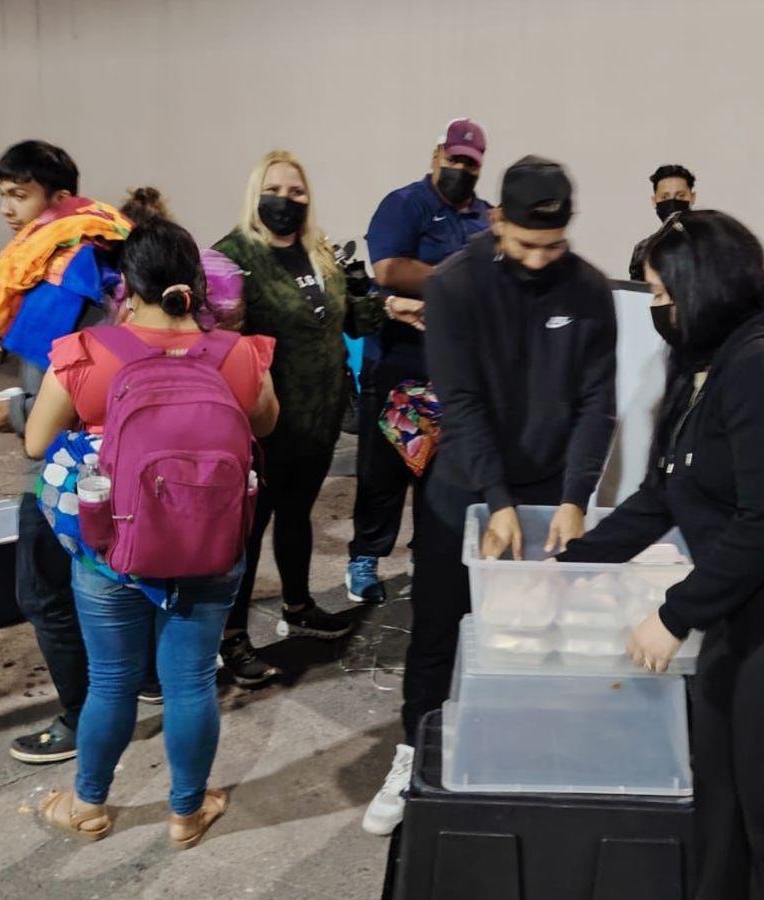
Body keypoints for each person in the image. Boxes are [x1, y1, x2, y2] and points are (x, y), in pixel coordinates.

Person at [560, 209, 764, 899]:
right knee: (723, 818)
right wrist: (568, 566)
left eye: (663, 294)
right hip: (745, 618)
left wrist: (675, 613)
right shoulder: (700, 368)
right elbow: (662, 494)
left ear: (705, 289)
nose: (657, 309)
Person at [362, 155, 617, 836]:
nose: (539, 261)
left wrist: (574, 499)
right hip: (464, 487)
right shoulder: (456, 285)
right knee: (441, 626)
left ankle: (519, 756)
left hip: (546, 493)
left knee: (535, 635)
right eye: (527, 245)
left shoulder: (589, 289)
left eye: (554, 246)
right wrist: (496, 499)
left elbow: (598, 402)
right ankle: (414, 753)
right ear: (497, 220)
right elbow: (462, 401)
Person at [22, 218, 279, 846]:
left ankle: (88, 806)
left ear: (125, 286)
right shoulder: (239, 354)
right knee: (190, 680)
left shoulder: (86, 353)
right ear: (195, 284)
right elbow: (266, 426)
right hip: (211, 548)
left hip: (113, 549)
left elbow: (34, 441)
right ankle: (186, 813)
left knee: (111, 680)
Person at [0, 141, 138, 764]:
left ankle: (81, 716)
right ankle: (129, 687)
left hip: (70, 462)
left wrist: (16, 413)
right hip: (90, 450)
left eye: (20, 195)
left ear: (56, 197)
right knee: (107, 580)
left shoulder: (77, 268)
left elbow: (88, 379)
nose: (9, 211)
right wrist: (22, 400)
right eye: (3, 197)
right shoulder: (81, 255)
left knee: (44, 593)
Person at [214, 151, 382, 685]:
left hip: (320, 416)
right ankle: (231, 637)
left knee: (296, 515)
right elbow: (216, 346)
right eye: (275, 190)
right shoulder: (231, 258)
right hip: (261, 424)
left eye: (297, 192)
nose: (285, 201)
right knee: (246, 531)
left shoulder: (320, 251)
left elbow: (354, 321)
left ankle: (297, 605)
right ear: (254, 195)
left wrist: (371, 293)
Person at [346, 118, 491, 604]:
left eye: (470, 163)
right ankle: (365, 558)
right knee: (383, 472)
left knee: (441, 476)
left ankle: (426, 556)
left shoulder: (485, 216)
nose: (460, 169)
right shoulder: (405, 205)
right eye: (453, 159)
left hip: (452, 371)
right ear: (436, 157)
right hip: (397, 364)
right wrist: (457, 281)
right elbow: (389, 268)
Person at [628, 164, 696, 281]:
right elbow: (638, 294)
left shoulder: (708, 244)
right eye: (665, 197)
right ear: (654, 201)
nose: (673, 202)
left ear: (692, 197)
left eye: (680, 196)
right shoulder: (643, 250)